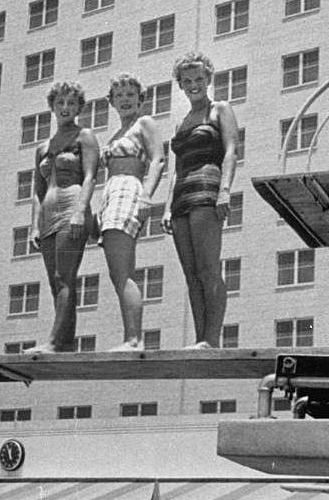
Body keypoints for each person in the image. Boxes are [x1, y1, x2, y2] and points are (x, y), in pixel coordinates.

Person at [162, 51, 239, 349]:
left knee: (208, 268)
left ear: (208, 79)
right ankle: (200, 338)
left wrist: (225, 189)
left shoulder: (219, 110)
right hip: (182, 195)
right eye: (187, 80)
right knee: (191, 274)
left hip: (207, 189)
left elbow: (231, 150)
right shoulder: (181, 122)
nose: (193, 84)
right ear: (180, 84)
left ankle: (212, 337)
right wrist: (167, 207)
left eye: (198, 78)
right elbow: (175, 169)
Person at [28, 81, 100, 353]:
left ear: (79, 106)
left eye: (71, 103)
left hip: (72, 207)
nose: (65, 108)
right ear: (52, 107)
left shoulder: (85, 137)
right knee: (53, 280)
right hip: (47, 213)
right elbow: (37, 190)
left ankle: (56, 341)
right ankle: (66, 340)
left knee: (64, 275)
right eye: (60, 103)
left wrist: (82, 210)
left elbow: (92, 176)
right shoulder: (42, 147)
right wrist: (34, 225)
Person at [98, 74, 165, 351]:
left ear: (140, 98)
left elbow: (158, 159)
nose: (125, 99)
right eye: (119, 95)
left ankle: (134, 339)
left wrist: (147, 197)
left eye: (130, 94)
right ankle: (131, 337)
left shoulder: (143, 124)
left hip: (129, 191)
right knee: (117, 272)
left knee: (122, 271)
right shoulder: (116, 133)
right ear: (112, 101)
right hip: (111, 195)